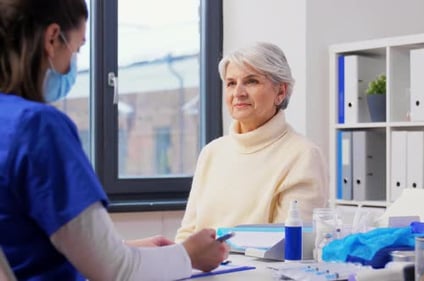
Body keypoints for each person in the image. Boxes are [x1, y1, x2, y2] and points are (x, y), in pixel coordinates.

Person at [0, 0, 228, 280]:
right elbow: (117, 271)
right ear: (51, 38)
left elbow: (24, 238)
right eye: (78, 47)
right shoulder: (36, 128)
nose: (73, 62)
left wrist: (121, 247)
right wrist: (188, 256)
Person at [175, 42, 329, 242]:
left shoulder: (303, 155)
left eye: (251, 81)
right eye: (231, 83)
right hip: (200, 270)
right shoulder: (212, 152)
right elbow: (187, 234)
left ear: (280, 92)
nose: (238, 93)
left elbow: (289, 246)